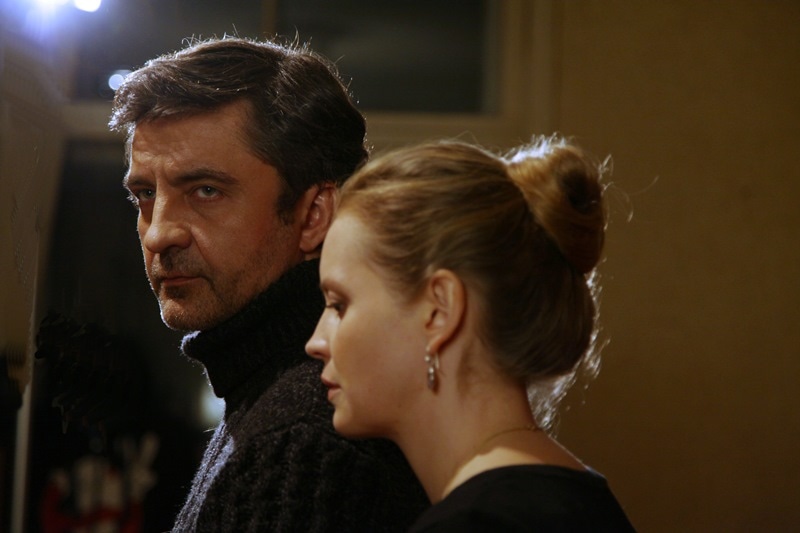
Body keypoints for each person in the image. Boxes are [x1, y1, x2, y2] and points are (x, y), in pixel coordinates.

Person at [108, 36, 427, 532]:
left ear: (313, 213)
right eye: (145, 195)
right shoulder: (277, 404)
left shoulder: (305, 440)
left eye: (206, 190)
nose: (158, 233)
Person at [306, 136, 637, 532]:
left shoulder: (477, 522)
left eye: (339, 305)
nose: (315, 343)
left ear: (439, 310)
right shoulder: (580, 496)